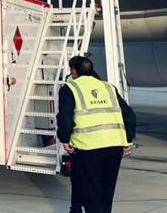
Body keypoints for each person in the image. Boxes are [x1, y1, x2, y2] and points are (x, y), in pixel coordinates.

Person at [57, 56, 136, 213]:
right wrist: (127, 140)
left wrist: (64, 139)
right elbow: (129, 115)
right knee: (107, 190)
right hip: (114, 147)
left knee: (91, 192)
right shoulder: (108, 87)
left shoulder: (70, 88)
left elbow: (65, 118)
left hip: (89, 147)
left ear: (73, 71)